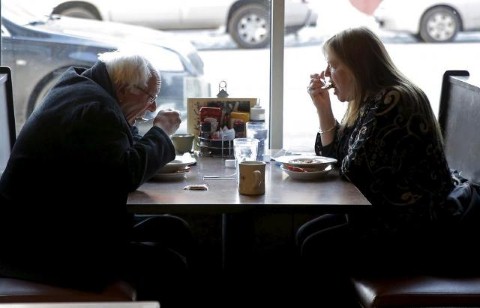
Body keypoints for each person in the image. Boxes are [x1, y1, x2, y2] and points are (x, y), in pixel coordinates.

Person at [0, 50, 195, 307]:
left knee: (172, 228)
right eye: (151, 98)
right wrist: (160, 131)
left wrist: (144, 132)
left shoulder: (81, 87)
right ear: (125, 88)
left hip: (57, 226)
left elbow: (120, 145)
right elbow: (125, 175)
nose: (153, 107)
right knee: (167, 265)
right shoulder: (97, 109)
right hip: (42, 248)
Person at [295, 27, 460, 306]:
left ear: (358, 66)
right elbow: (335, 157)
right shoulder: (372, 100)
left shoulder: (394, 100)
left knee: (317, 246)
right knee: (306, 233)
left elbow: (352, 170)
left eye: (334, 65)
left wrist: (338, 150)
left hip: (419, 230)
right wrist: (323, 108)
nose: (326, 75)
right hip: (388, 216)